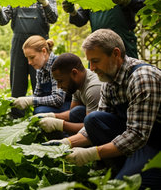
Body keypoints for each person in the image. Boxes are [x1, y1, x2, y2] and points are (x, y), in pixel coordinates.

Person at [49, 29, 160, 189]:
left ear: (115, 54)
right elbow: (95, 123)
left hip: (153, 142)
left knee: (124, 185)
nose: (91, 68)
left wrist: (92, 153)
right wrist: (65, 143)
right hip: (135, 141)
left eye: (95, 61)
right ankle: (123, 167)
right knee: (93, 119)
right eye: (89, 62)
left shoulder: (142, 79)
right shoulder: (108, 81)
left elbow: (137, 136)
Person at [0, 0, 58, 103]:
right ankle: (16, 116)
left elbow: (53, 19)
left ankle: (40, 113)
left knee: (40, 81)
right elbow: (3, 21)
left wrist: (45, 3)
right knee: (17, 82)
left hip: (40, 45)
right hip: (18, 44)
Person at [36, 53, 102, 135]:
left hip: (108, 131)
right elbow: (72, 114)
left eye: (60, 81)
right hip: (93, 122)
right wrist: (52, 116)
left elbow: (92, 128)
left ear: (74, 73)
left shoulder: (93, 89)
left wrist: (60, 125)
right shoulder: (76, 83)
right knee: (76, 111)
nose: (59, 86)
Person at [12, 36, 70, 115]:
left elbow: (58, 100)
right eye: (27, 58)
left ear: (44, 51)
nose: (29, 62)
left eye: (32, 57)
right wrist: (18, 100)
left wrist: (30, 101)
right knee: (38, 110)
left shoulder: (57, 65)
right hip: (55, 105)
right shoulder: (40, 69)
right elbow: (37, 95)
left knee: (39, 111)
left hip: (69, 104)